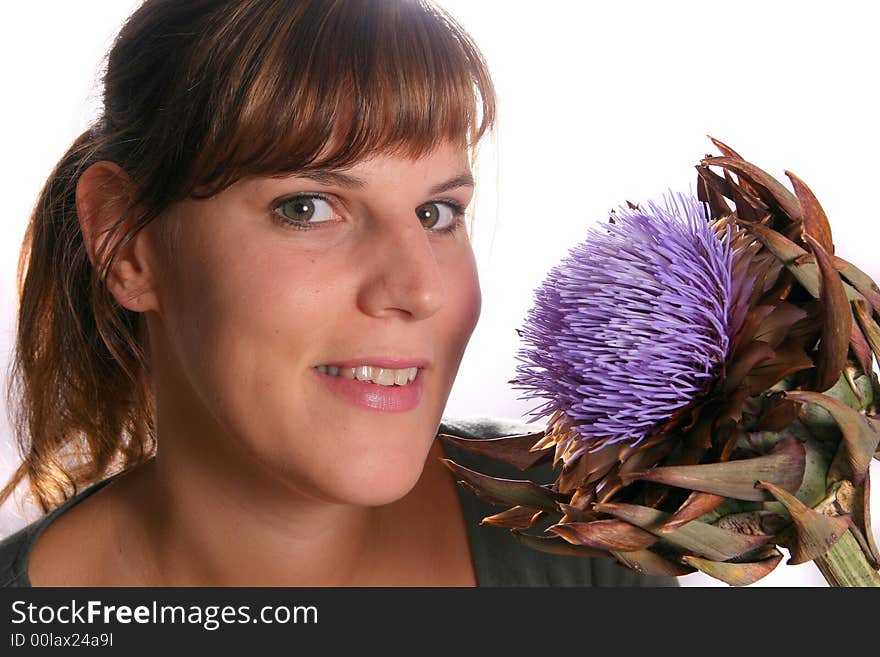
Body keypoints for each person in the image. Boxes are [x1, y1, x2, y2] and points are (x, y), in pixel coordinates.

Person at [0, 0, 675, 587]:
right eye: (306, 207)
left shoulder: (594, 534)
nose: (421, 289)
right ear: (127, 242)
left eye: (437, 213)